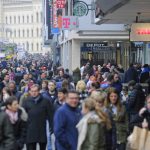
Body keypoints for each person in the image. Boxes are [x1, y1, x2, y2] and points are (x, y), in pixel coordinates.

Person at [22, 84, 54, 150]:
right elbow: (23, 116)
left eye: (35, 91)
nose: (34, 93)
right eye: (32, 91)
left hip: (42, 129)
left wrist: (52, 127)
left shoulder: (45, 101)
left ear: (39, 91)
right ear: (30, 92)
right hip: (30, 130)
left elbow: (50, 115)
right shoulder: (26, 101)